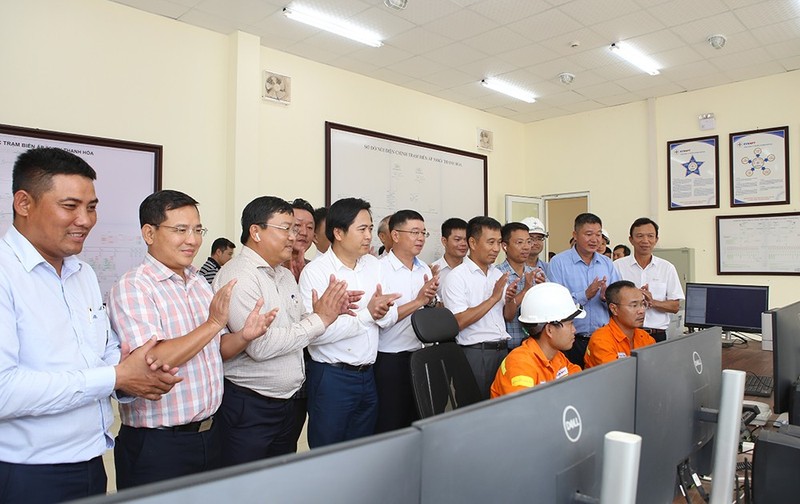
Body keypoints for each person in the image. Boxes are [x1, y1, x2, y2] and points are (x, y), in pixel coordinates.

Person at [0, 148, 181, 503]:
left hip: (90, 462)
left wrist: (135, 375)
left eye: (92, 207)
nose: (85, 220)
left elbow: (103, 351)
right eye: (70, 206)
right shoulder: (6, 275)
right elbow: (5, 391)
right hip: (26, 472)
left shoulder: (81, 272)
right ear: (24, 203)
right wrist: (117, 377)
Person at [109, 190, 273, 489]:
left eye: (197, 230)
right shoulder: (134, 286)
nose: (193, 240)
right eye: (180, 230)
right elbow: (152, 361)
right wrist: (212, 323)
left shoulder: (198, 282)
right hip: (159, 445)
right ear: (149, 233)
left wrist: (245, 336)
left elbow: (218, 349)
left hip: (211, 434)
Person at [213, 196, 353, 466]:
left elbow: (301, 326)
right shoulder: (240, 276)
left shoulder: (284, 274)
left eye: (296, 229)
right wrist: (319, 319)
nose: (295, 236)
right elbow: (259, 346)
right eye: (286, 228)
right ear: (256, 231)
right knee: (244, 486)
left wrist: (329, 313)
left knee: (277, 481)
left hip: (286, 403)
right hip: (250, 405)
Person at [298, 197, 400, 448]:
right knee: (328, 452)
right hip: (332, 377)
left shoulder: (374, 266)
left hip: (368, 374)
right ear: (338, 232)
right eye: (362, 229)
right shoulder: (317, 272)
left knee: (361, 451)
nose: (369, 236)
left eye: (370, 228)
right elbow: (316, 333)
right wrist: (368, 314)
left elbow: (389, 317)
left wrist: (382, 312)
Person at [375, 210, 438, 433]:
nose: (420, 238)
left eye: (423, 233)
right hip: (390, 358)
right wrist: (419, 299)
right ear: (395, 235)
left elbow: (427, 309)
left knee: (417, 420)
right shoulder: (379, 269)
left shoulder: (424, 269)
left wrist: (430, 302)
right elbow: (381, 319)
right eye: (414, 232)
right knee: (391, 423)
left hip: (420, 355)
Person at [441, 216, 516, 399]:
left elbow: (508, 316)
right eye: (490, 242)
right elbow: (458, 322)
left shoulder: (496, 273)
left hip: (502, 349)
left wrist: (511, 299)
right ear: (473, 243)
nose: (496, 249)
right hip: (475, 353)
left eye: (499, 242)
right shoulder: (456, 277)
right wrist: (494, 298)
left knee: (501, 407)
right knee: (476, 407)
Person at [548, 213, 620, 368]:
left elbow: (619, 299)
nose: (594, 239)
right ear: (575, 235)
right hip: (571, 342)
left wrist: (606, 297)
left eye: (598, 234)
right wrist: (585, 295)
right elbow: (555, 304)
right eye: (588, 234)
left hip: (603, 340)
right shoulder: (558, 263)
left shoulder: (607, 263)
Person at [490, 282, 584, 398]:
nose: (574, 330)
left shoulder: (557, 357)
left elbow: (581, 385)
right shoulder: (519, 364)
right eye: (570, 324)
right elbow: (525, 410)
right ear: (549, 330)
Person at [614, 217, 684, 342]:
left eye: (650, 236)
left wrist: (652, 302)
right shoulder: (617, 266)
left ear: (656, 239)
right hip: (624, 335)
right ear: (631, 239)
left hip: (656, 335)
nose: (645, 241)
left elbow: (675, 306)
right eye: (640, 236)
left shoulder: (667, 268)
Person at [584, 281, 656, 368]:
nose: (641, 311)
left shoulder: (645, 337)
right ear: (614, 309)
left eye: (643, 304)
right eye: (634, 305)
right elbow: (619, 375)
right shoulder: (601, 339)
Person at [497, 222, 545, 349]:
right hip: (507, 347)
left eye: (528, 242)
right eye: (519, 243)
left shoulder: (537, 273)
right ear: (505, 246)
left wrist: (543, 290)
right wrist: (526, 290)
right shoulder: (497, 274)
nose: (526, 247)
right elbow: (502, 313)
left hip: (534, 346)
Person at [430, 217, 468, 297]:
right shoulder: (433, 271)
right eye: (457, 239)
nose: (463, 244)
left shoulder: (473, 269)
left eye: (466, 239)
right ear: (444, 241)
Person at [286, 198, 315, 281]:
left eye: (310, 227)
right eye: (297, 225)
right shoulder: (272, 267)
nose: (304, 233)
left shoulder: (315, 269)